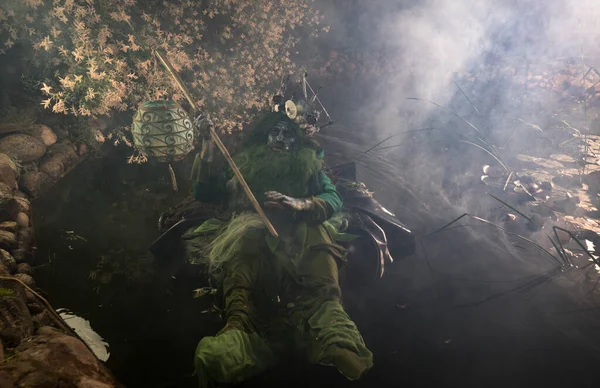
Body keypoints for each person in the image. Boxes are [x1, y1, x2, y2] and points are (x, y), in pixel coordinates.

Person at [188, 111, 373, 387]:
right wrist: (206, 145)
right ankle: (239, 333)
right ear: (264, 136)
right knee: (242, 262)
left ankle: (333, 332)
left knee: (317, 256)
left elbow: (331, 197)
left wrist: (298, 203)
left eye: (287, 133)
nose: (279, 137)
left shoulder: (309, 167)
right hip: (250, 227)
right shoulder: (242, 165)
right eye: (274, 131)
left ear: (296, 142)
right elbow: (204, 192)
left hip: (300, 228)